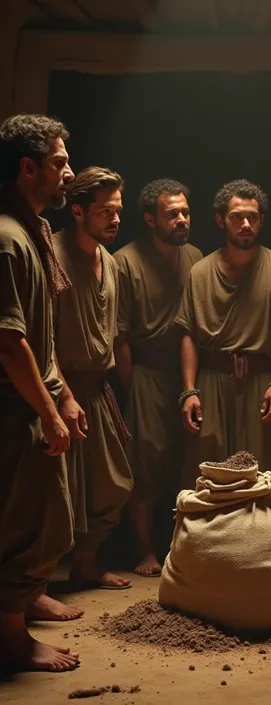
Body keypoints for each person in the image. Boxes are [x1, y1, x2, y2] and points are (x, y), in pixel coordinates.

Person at [0, 113, 81, 671]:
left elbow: (41, 336)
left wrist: (65, 395)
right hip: (16, 407)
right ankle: (10, 640)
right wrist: (48, 413)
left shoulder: (34, 231)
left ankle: (22, 609)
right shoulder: (8, 238)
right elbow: (9, 341)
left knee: (47, 518)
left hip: (38, 398)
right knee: (26, 522)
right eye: (58, 163)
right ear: (27, 168)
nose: (68, 173)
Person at [176, 179, 271, 501]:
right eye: (236, 217)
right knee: (208, 469)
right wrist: (189, 390)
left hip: (261, 380)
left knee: (262, 468)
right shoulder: (201, 271)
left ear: (261, 219)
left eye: (253, 217)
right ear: (221, 220)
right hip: (212, 380)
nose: (245, 224)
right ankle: (209, 547)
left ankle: (264, 549)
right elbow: (188, 333)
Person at [114, 179, 202, 577]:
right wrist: (133, 387)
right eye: (172, 213)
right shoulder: (126, 261)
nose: (181, 219)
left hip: (189, 375)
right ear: (151, 218)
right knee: (145, 461)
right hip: (146, 372)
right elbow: (121, 335)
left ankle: (184, 547)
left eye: (185, 211)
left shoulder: (195, 257)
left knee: (186, 460)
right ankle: (144, 548)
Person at [53, 167, 133, 590]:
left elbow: (114, 331)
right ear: (79, 211)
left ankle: (86, 563)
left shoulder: (112, 262)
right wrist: (61, 395)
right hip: (58, 387)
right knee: (52, 490)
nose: (115, 219)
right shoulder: (52, 254)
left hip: (96, 389)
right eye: (105, 211)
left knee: (111, 483)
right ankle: (31, 587)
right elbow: (38, 335)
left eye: (118, 210)